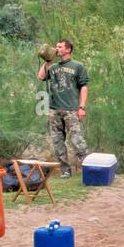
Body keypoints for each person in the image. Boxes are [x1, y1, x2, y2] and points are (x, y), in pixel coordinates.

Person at [37, 38, 89, 178]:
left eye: (60, 47)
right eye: (56, 47)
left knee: (77, 140)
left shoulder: (77, 66)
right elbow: (41, 76)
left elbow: (84, 87)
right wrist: (48, 61)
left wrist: (82, 107)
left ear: (68, 49)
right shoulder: (53, 67)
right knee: (57, 141)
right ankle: (65, 170)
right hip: (54, 110)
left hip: (71, 109)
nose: (57, 49)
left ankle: (89, 168)